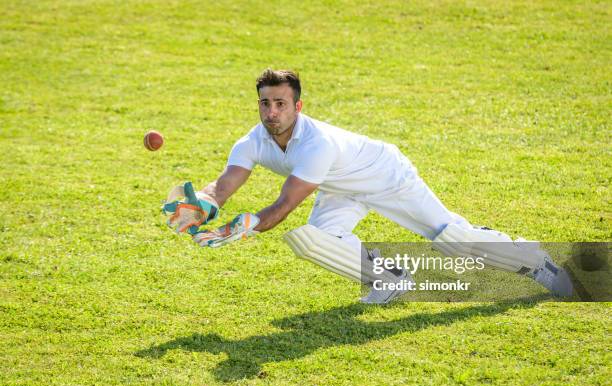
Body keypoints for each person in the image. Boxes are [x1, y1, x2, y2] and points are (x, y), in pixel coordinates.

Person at [163, 68, 573, 304]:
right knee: (314, 240)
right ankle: (390, 278)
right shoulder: (250, 141)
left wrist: (244, 226)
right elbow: (225, 183)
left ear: (298, 106)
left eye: (281, 103)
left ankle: (538, 263)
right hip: (340, 186)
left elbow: (283, 207)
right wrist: (202, 203)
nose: (272, 112)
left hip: (386, 176)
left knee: (452, 239)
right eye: (265, 103)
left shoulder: (315, 144)